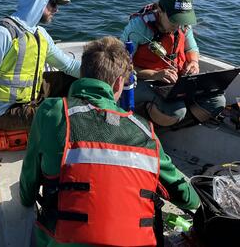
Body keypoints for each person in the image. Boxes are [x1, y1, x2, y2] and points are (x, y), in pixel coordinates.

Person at [20, 36, 200, 247]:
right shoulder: (145, 131)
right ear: (118, 83)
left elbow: (28, 189)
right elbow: (186, 197)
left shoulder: (53, 112)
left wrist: (27, 198)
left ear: (82, 74)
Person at [0, 0, 80, 163]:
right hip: (3, 112)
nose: (56, 10)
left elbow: (69, 65)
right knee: (65, 115)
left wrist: (105, 77)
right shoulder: (1, 34)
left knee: (76, 81)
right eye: (53, 4)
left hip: (29, 98)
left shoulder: (40, 34)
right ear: (39, 0)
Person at [121, 0, 225, 126]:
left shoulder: (183, 25)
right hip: (144, 80)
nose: (178, 25)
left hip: (173, 82)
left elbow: (191, 49)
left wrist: (194, 63)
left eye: (183, 20)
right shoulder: (138, 27)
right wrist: (154, 74)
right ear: (160, 10)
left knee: (217, 102)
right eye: (174, 20)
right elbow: (121, 67)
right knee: (176, 111)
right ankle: (143, 119)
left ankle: (172, 122)